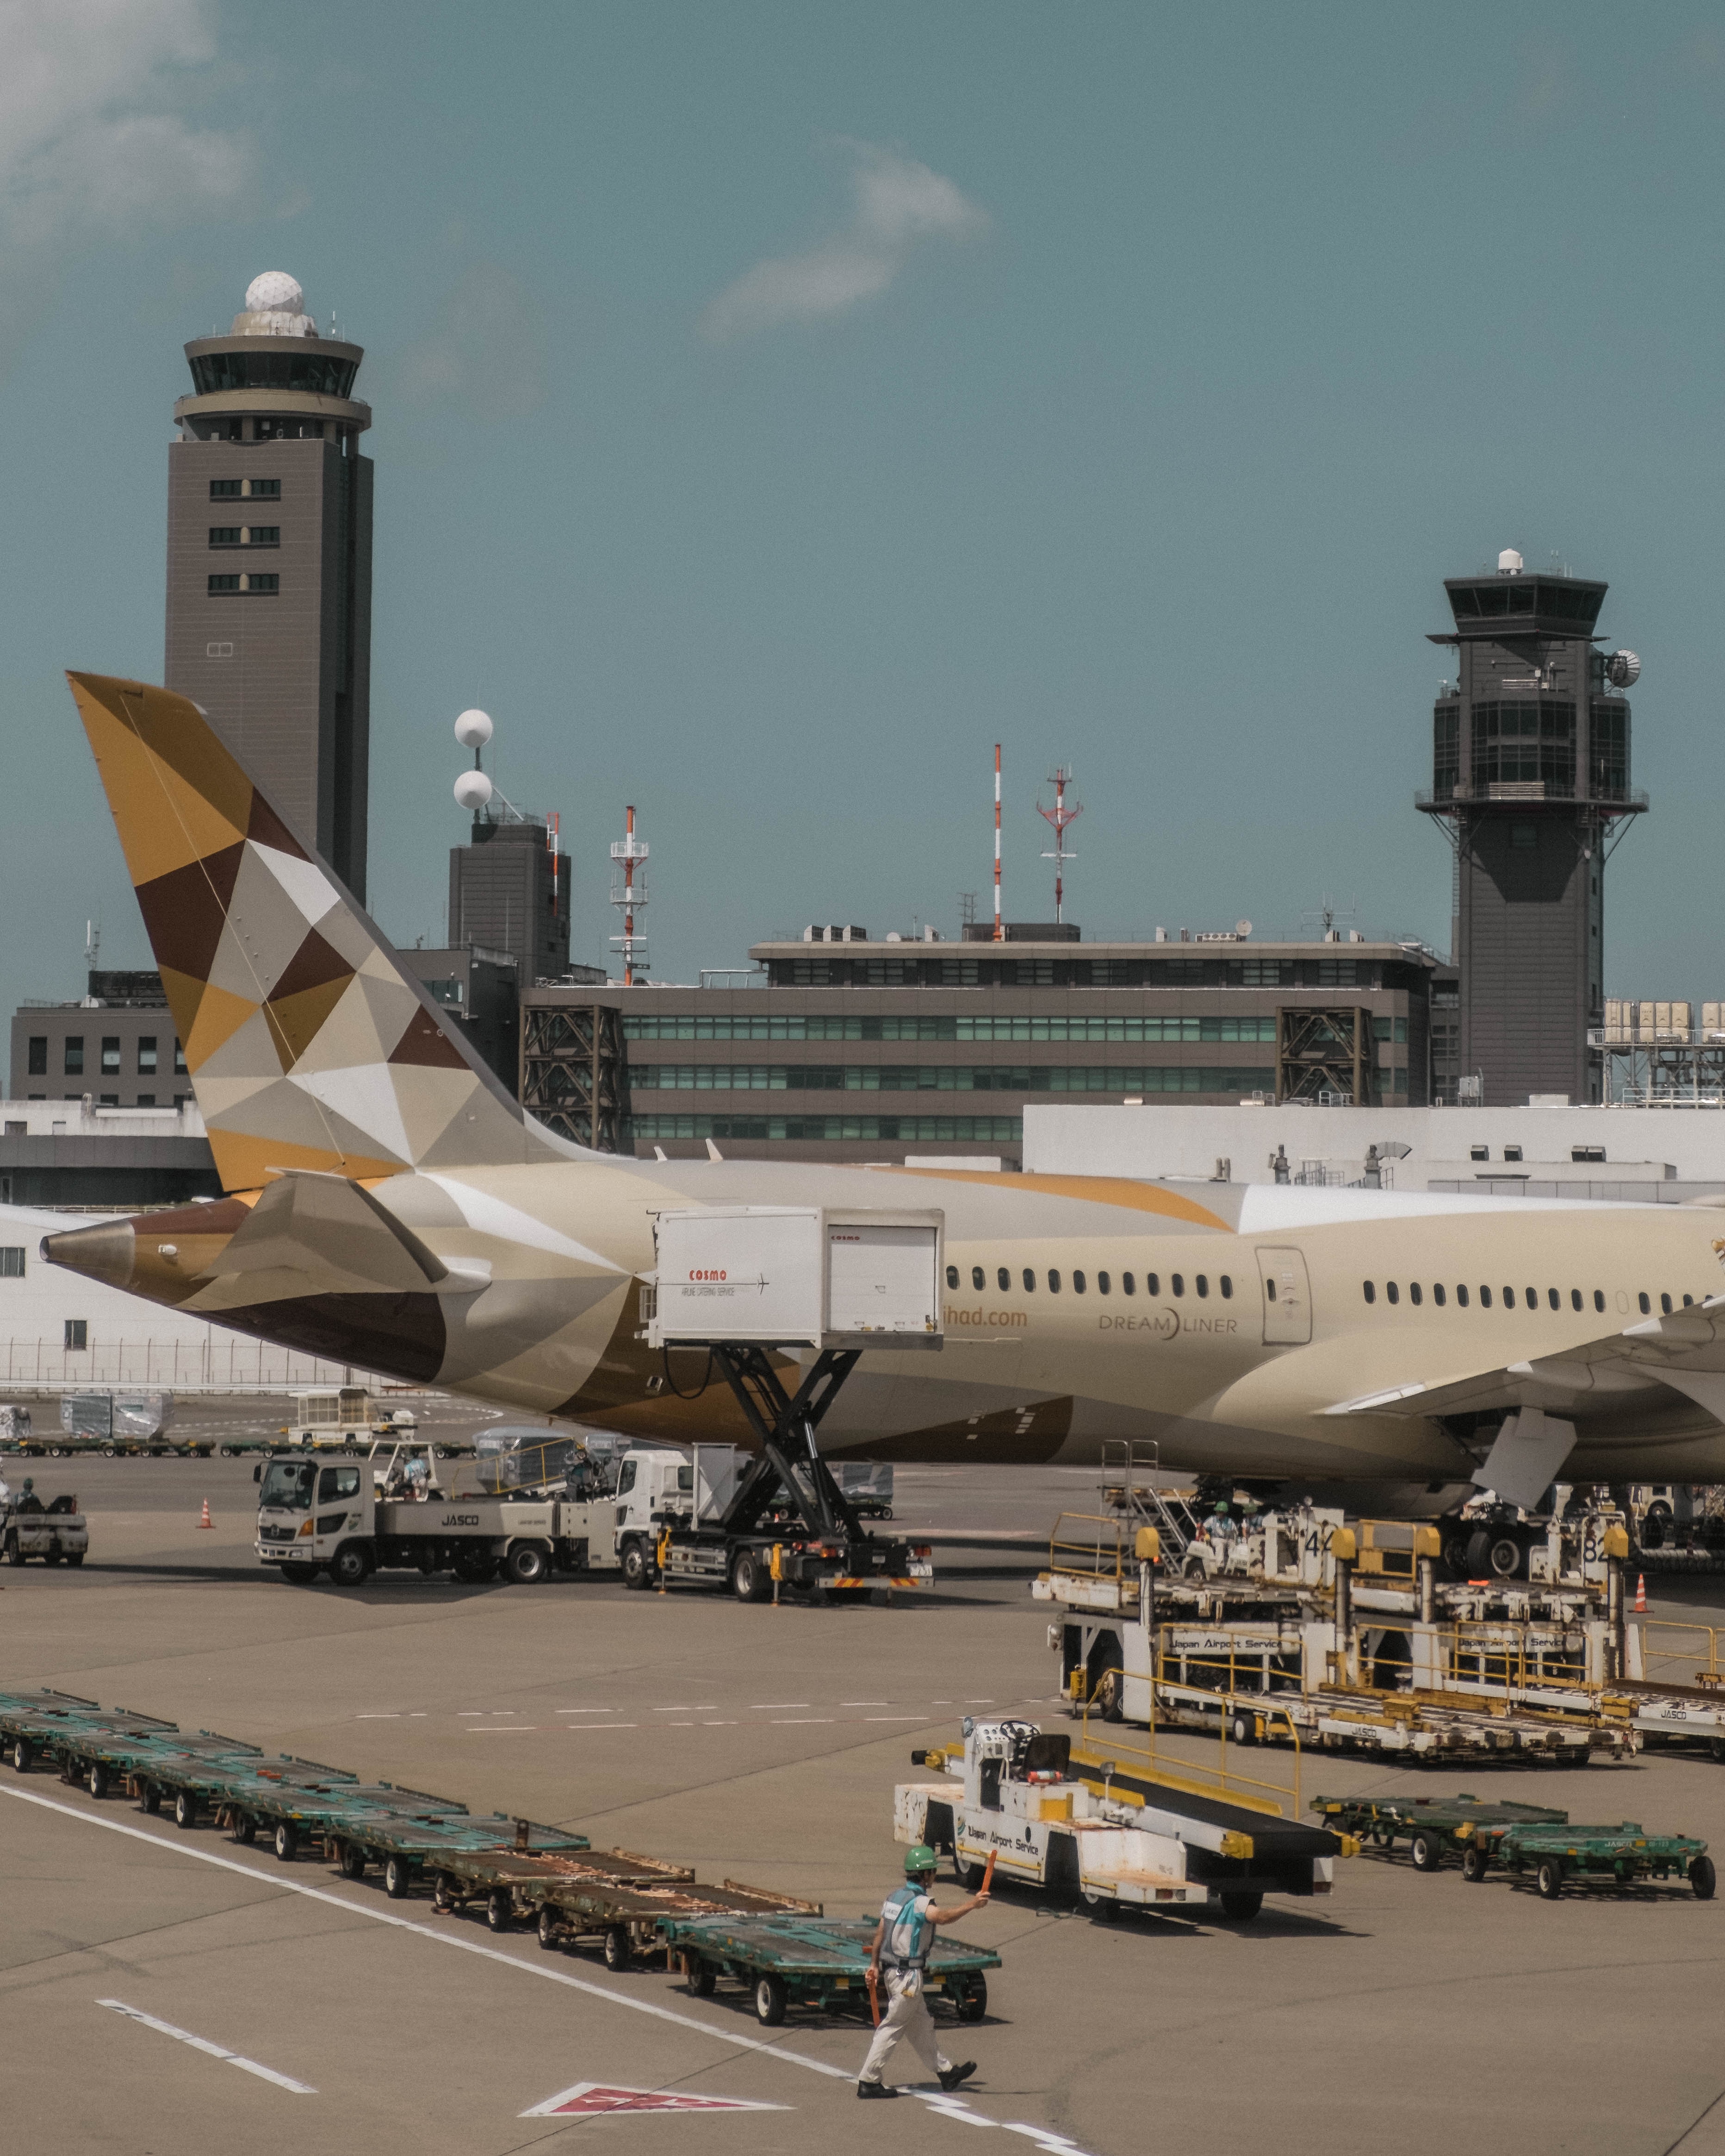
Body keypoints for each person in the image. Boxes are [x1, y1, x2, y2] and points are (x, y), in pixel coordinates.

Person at [857, 1846, 989, 2100]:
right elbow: (941, 1917)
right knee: (892, 2026)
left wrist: (874, 1965)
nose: (935, 1876)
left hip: (892, 1972)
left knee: (921, 2027)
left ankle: (946, 2072)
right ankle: (868, 2080)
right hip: (908, 1977)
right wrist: (972, 1905)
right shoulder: (920, 1903)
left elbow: (880, 1934)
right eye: (933, 1872)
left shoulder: (894, 1899)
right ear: (925, 1874)